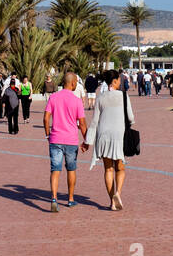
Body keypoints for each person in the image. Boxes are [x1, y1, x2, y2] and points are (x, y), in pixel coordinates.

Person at [87, 70, 134, 210]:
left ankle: (112, 202)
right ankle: (118, 193)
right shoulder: (124, 96)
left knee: (108, 169)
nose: (120, 82)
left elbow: (95, 121)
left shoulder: (100, 97)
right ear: (114, 81)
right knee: (120, 168)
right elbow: (131, 117)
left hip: (103, 135)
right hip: (118, 134)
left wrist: (88, 140)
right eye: (119, 80)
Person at [45, 72, 89, 211]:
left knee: (55, 170)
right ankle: (70, 199)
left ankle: (54, 198)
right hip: (71, 140)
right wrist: (86, 140)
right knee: (71, 169)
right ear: (72, 83)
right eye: (76, 81)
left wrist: (48, 135)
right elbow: (82, 123)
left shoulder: (53, 97)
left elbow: (46, 118)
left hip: (55, 139)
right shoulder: (76, 101)